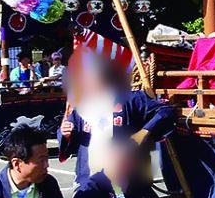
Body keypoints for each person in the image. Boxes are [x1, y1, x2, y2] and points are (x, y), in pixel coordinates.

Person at [58, 53, 176, 182]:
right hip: (89, 179)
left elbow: (166, 111)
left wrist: (144, 132)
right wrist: (65, 132)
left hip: (128, 177)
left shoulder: (132, 99)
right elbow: (69, 133)